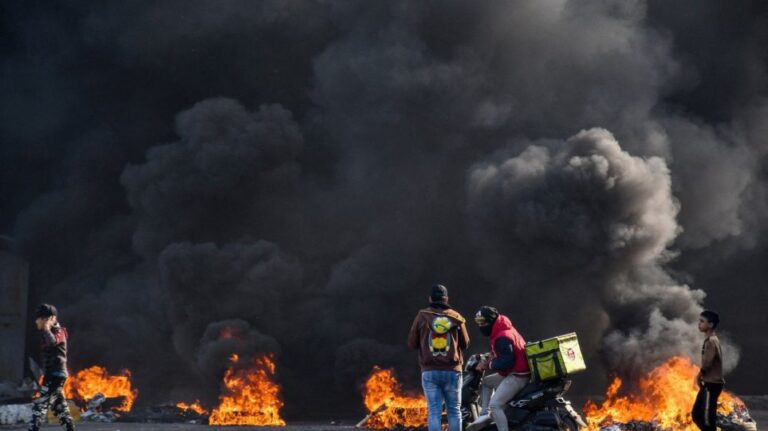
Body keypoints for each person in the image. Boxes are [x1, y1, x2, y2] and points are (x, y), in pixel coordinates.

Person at [408, 284, 470, 431]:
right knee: (454, 411)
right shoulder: (456, 317)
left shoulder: (422, 316)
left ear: (430, 299)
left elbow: (411, 343)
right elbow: (466, 343)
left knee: (434, 412)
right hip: (453, 371)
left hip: (430, 371)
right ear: (446, 299)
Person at [471, 306, 530, 431]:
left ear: (491, 321)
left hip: (517, 375)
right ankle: (484, 415)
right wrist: (490, 357)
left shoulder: (502, 336)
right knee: (486, 382)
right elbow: (502, 353)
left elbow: (508, 361)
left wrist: (488, 365)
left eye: (483, 322)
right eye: (478, 322)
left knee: (495, 405)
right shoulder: (501, 329)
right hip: (512, 372)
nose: (481, 325)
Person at [29, 304, 75, 431]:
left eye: (41, 318)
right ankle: (70, 427)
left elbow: (53, 342)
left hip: (57, 375)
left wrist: (46, 328)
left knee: (41, 403)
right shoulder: (47, 333)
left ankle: (33, 428)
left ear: (51, 319)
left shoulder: (60, 331)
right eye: (38, 318)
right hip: (50, 375)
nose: (37, 321)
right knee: (59, 406)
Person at [691, 310, 724, 431]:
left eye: (702, 321)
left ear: (710, 324)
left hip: (712, 384)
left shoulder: (711, 341)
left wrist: (699, 375)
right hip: (709, 384)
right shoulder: (711, 340)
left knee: (707, 418)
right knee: (697, 415)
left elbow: (707, 363)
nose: (699, 324)